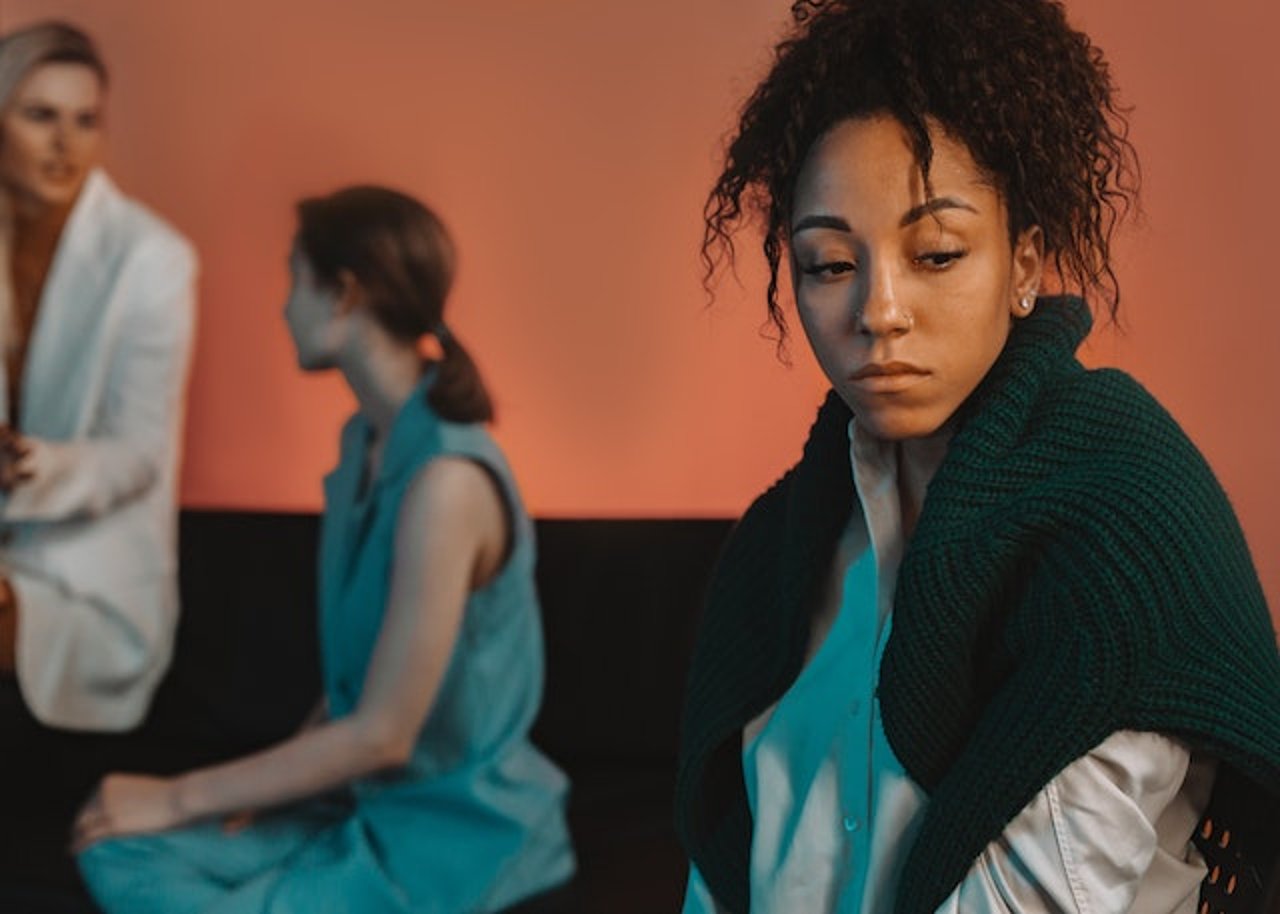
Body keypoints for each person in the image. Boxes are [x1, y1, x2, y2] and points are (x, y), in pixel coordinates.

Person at [674, 1, 1280, 913]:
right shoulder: (773, 549)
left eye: (937, 253)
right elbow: (718, 871)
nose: (879, 312)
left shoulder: (1125, 517)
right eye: (830, 263)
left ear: (1024, 263)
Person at [73, 185, 576, 914]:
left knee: (153, 837)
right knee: (113, 844)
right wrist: (258, 798)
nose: (284, 308)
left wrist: (178, 796)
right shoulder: (361, 443)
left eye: (293, 280)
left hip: (455, 837)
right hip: (356, 804)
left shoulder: (447, 483)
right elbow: (357, 687)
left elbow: (382, 735)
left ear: (342, 294)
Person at [0, 21, 196, 731]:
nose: (65, 143)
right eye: (40, 115)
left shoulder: (152, 259)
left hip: (87, 581)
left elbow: (138, 455)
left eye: (85, 121)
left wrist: (27, 468)